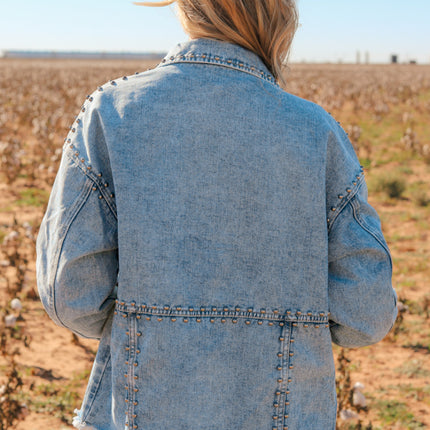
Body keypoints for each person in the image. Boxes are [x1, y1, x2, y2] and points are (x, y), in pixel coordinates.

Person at [35, 1, 398, 429]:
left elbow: (70, 294)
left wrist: (149, 326)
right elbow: (367, 314)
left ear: (187, 11)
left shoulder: (112, 112)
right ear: (279, 18)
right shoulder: (317, 132)